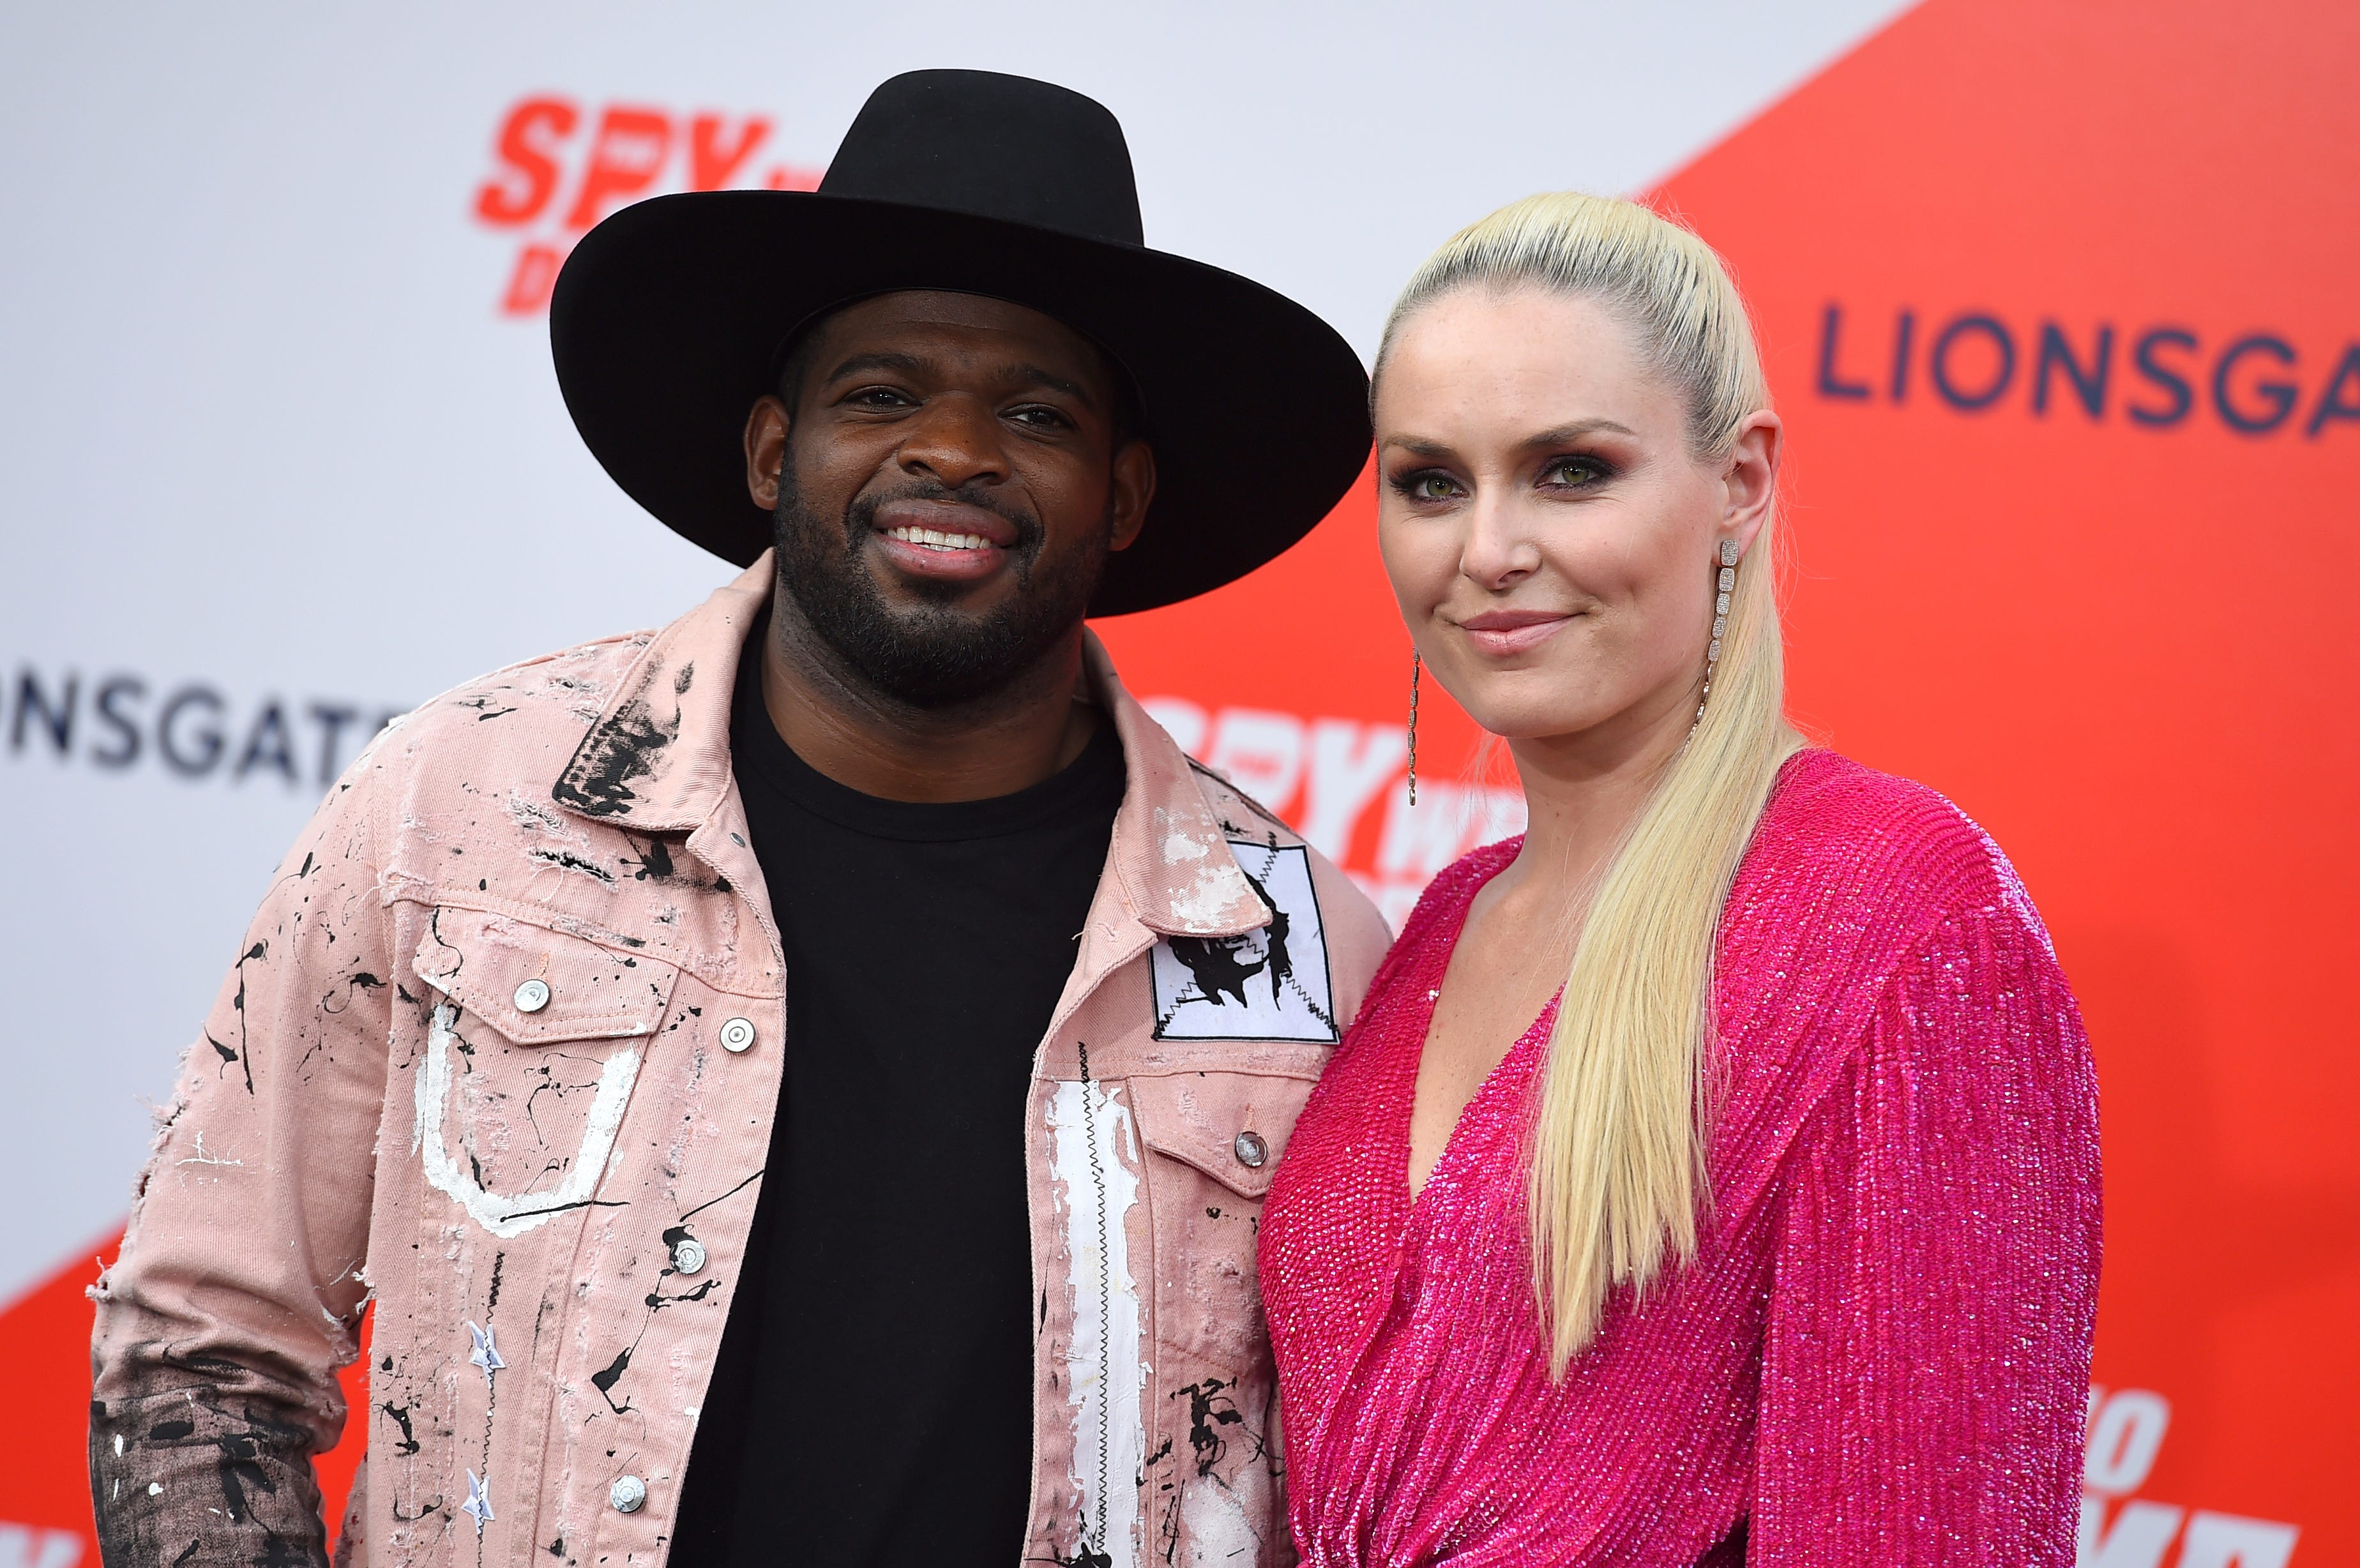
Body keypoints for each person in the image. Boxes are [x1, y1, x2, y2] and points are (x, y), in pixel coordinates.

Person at [88, 70, 1389, 1568]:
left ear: (1125, 493)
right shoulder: (462, 804)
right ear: (775, 452)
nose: (954, 450)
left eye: (1036, 411)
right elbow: (200, 1359)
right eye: (883, 393)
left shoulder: (1285, 946)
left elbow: (1345, 1491)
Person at [1257, 192, 2101, 1565]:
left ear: (1742, 485)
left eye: (1570, 470)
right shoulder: (1436, 928)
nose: (1487, 550)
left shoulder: (1901, 918)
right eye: (1429, 482)